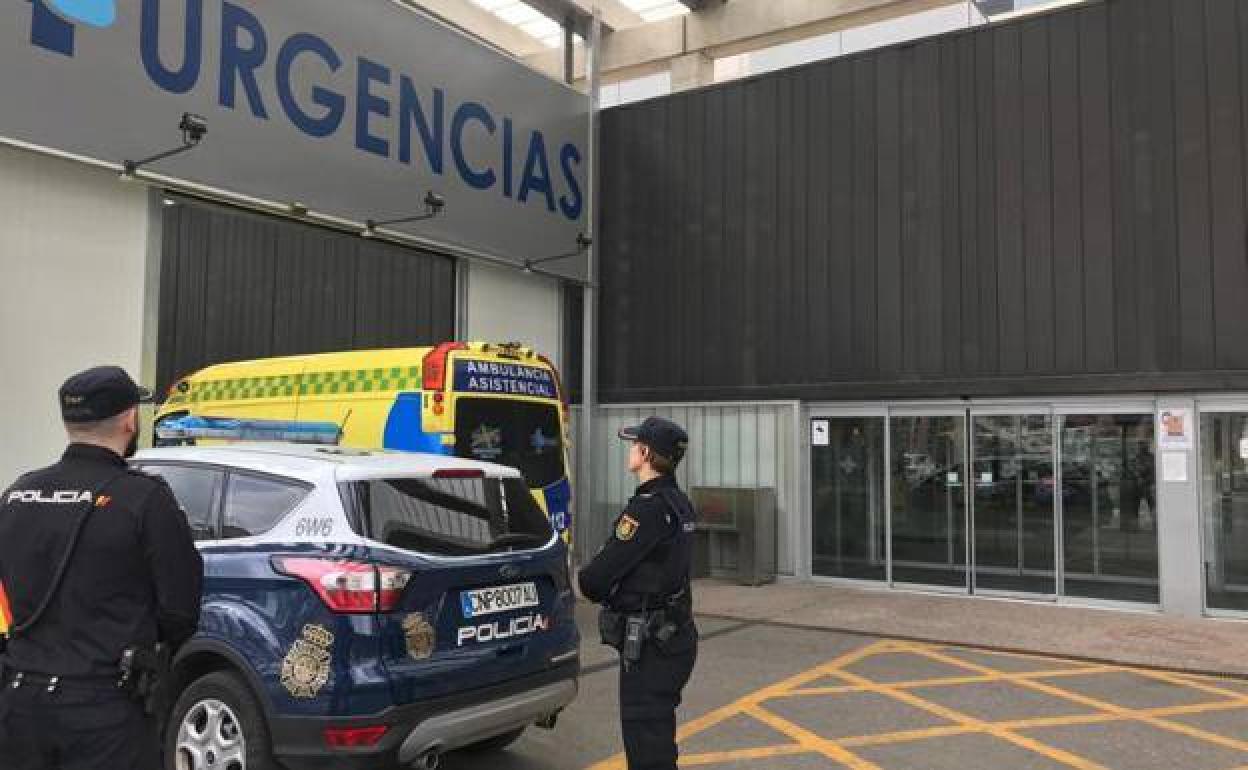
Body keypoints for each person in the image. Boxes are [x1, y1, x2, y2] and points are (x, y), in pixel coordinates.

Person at [0, 366, 204, 770]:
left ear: (68, 422)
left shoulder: (16, 494)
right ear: (130, 420)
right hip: (106, 712)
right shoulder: (145, 501)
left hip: (19, 704)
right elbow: (181, 610)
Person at [579, 417, 698, 770]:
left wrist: (593, 581)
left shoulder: (647, 509)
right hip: (674, 637)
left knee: (646, 746)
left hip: (650, 646)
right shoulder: (678, 503)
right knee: (658, 737)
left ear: (645, 453)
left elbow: (595, 579)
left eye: (634, 445)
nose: (630, 450)